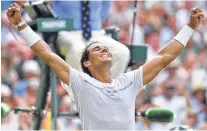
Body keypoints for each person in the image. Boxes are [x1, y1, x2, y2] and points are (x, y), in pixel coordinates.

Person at [6, 3, 204, 130]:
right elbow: (47, 54)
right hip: (71, 39)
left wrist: (190, 28)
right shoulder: (81, 82)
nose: (104, 50)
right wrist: (21, 24)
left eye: (105, 49)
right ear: (87, 63)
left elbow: (164, 57)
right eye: (97, 49)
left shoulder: (129, 81)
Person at [51, 1, 130, 78]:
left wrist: (95, 24)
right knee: (77, 51)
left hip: (95, 33)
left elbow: (105, 7)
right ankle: (79, 88)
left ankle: (106, 88)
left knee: (122, 53)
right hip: (68, 32)